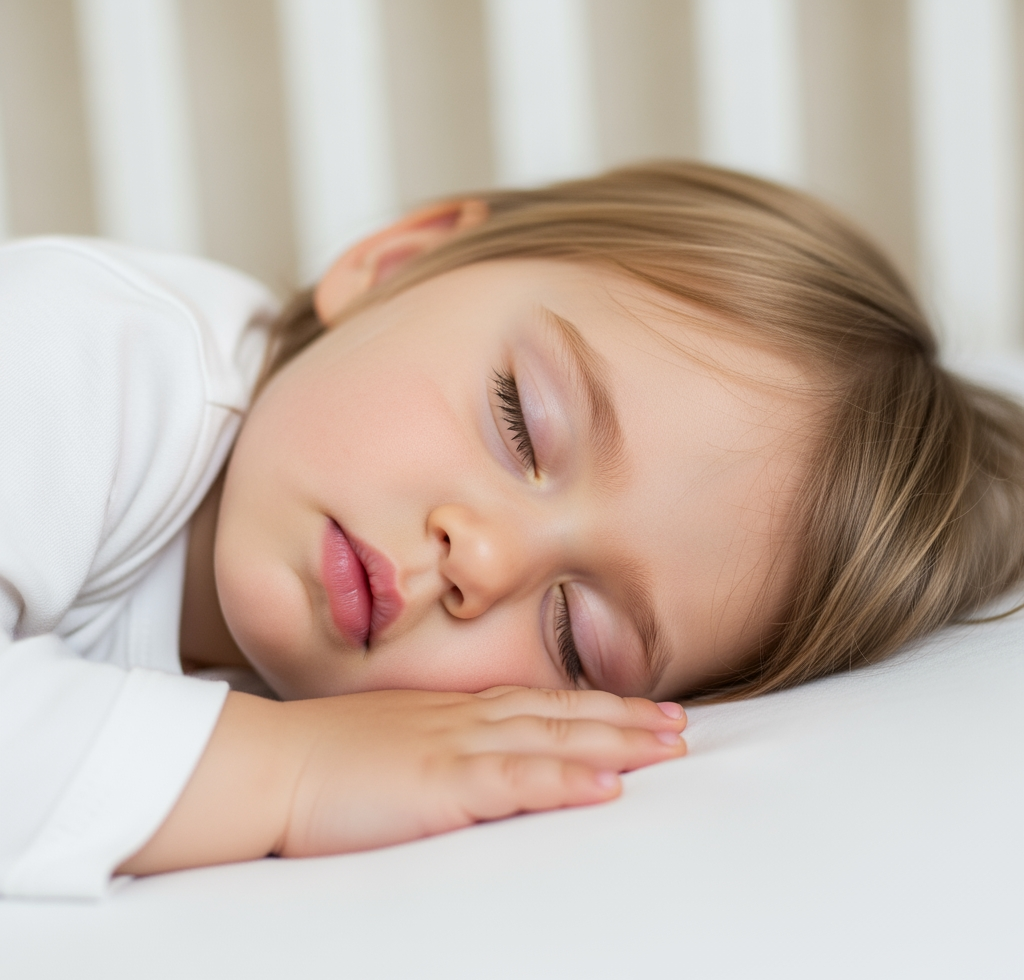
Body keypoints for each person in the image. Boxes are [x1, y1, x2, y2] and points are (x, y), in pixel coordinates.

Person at [3, 162, 1022, 898]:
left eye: (579, 637)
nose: (482, 558)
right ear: (399, 262)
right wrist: (288, 771)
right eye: (518, 422)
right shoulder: (85, 347)